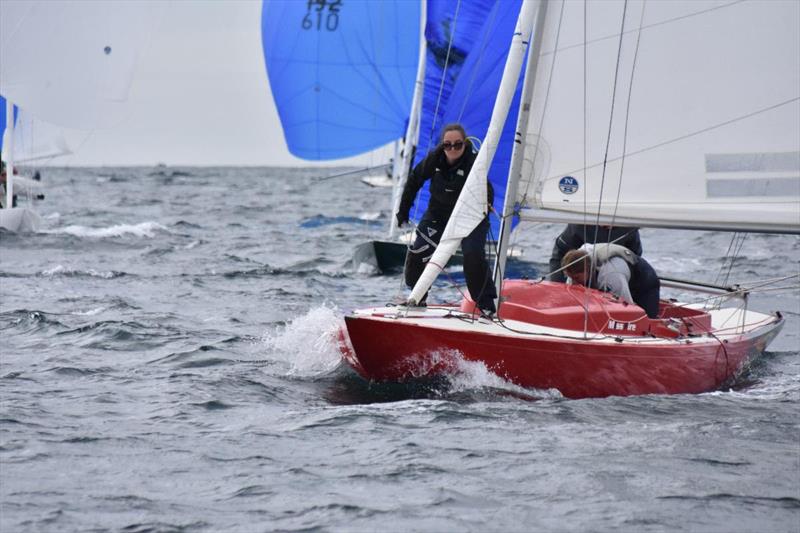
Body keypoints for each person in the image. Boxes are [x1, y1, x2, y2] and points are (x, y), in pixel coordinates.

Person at [396, 123, 497, 314]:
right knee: (419, 251)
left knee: (473, 254)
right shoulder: (434, 159)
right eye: (447, 145)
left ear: (465, 144)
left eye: (457, 145)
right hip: (438, 214)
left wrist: (488, 202)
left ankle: (486, 305)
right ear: (442, 146)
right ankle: (418, 297)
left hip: (471, 215)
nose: (452, 149)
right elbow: (414, 181)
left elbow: (486, 187)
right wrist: (403, 212)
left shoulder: (473, 162)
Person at [561, 243, 661, 319]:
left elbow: (626, 307)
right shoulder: (574, 264)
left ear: (588, 269)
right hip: (611, 274)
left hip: (642, 280)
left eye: (577, 278)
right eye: (570, 277)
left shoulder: (611, 275)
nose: (573, 283)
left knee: (645, 319)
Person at [548, 224, 642, 282]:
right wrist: (558, 285)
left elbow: (635, 259)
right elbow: (559, 255)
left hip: (616, 276)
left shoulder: (630, 228)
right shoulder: (579, 226)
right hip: (582, 275)